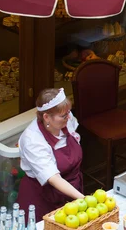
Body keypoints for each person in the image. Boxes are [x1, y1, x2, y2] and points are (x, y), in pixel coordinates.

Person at [17, 88, 85, 221]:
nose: (68, 117)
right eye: (63, 115)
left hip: (71, 192)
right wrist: (83, 199)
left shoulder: (67, 120)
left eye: (68, 112)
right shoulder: (32, 140)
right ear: (46, 117)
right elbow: (53, 178)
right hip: (42, 199)